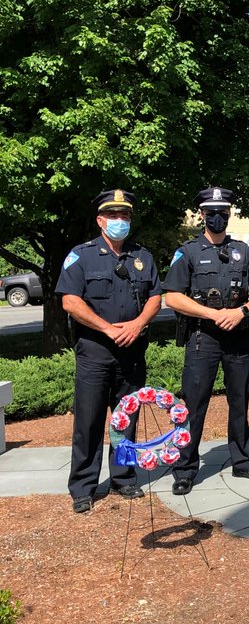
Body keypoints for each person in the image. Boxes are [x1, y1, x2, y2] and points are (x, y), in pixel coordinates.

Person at [55, 189, 162, 514]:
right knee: (88, 421)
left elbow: (156, 297)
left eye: (125, 216)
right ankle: (83, 487)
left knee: (126, 418)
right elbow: (69, 301)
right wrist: (107, 328)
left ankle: (124, 478)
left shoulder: (142, 256)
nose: (120, 221)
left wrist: (138, 323)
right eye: (113, 216)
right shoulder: (81, 255)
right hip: (95, 352)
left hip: (131, 352)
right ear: (101, 220)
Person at [162, 187, 249, 495]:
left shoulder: (242, 251)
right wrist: (214, 315)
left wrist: (241, 311)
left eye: (222, 212)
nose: (217, 217)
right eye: (211, 212)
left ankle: (243, 460)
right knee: (194, 405)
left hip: (237, 336)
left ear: (229, 214)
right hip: (202, 338)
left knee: (240, 402)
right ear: (201, 214)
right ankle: (184, 468)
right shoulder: (187, 252)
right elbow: (172, 297)